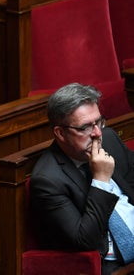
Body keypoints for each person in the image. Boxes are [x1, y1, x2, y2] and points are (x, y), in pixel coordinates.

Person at [30, 83, 134, 275]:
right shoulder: (47, 180)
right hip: (113, 265)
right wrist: (101, 180)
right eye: (85, 127)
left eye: (99, 122)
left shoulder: (109, 139)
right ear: (60, 133)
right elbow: (85, 240)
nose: (97, 134)